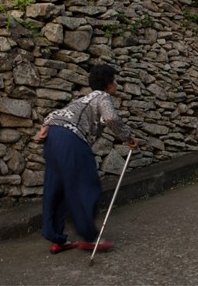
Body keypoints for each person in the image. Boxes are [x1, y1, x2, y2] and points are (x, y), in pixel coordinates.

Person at [33, 64, 139, 254]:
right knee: (86, 184)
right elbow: (111, 118)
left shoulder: (83, 100)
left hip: (53, 136)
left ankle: (57, 238)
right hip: (71, 138)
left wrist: (44, 128)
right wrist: (128, 137)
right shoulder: (102, 96)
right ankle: (89, 238)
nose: (117, 84)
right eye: (115, 80)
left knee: (56, 187)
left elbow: (55, 116)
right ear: (109, 84)